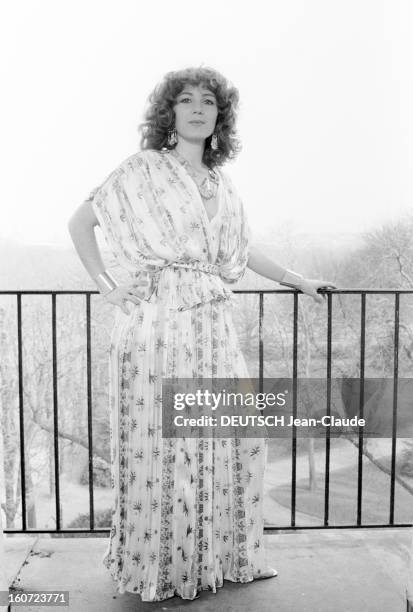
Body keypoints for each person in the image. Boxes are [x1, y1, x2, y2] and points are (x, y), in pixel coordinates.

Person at [68, 66, 335, 603]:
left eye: (207, 101)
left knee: (227, 439)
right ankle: (163, 567)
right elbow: (81, 222)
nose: (196, 108)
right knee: (164, 447)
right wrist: (107, 286)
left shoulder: (223, 182)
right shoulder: (143, 169)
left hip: (212, 325)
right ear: (168, 113)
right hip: (157, 325)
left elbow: (242, 249)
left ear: (220, 115)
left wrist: (298, 280)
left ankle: (221, 557)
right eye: (185, 100)